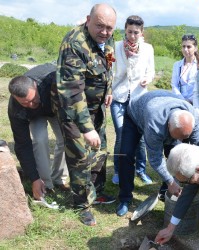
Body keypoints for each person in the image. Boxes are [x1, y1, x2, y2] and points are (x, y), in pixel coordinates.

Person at [52, 3, 117, 226]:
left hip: (97, 106)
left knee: (100, 152)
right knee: (79, 156)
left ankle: (96, 192)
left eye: (110, 28)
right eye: (100, 26)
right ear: (88, 20)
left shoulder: (108, 38)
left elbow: (109, 64)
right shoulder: (74, 44)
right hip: (73, 110)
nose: (105, 32)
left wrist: (108, 90)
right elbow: (71, 91)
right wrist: (86, 128)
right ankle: (82, 205)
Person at [116, 90, 199, 216]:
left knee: (175, 154)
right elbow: (155, 159)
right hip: (135, 115)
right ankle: (125, 198)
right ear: (168, 126)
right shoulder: (155, 123)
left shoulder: (192, 116)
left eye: (183, 138)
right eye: (176, 136)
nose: (179, 141)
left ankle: (165, 192)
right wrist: (171, 181)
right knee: (126, 154)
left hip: (161, 107)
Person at [8, 63, 69, 201]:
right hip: (35, 116)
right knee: (40, 139)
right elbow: (22, 145)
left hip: (55, 105)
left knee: (66, 138)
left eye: (32, 100)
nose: (30, 105)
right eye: (25, 103)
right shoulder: (16, 109)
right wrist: (33, 178)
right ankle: (45, 183)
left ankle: (59, 179)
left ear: (35, 86)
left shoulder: (53, 78)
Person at [110, 15, 155, 185]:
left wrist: (147, 79)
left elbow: (150, 71)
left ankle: (140, 170)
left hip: (138, 98)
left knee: (141, 137)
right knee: (121, 134)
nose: (132, 36)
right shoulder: (116, 47)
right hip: (119, 96)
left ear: (142, 32)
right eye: (129, 32)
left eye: (136, 32)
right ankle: (117, 170)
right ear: (125, 29)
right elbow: (110, 71)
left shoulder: (148, 49)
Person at [171, 34, 199, 104]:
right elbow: (174, 85)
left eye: (189, 47)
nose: (185, 49)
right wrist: (183, 100)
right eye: (183, 46)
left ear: (195, 48)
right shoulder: (177, 65)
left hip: (196, 103)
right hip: (179, 101)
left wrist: (191, 100)